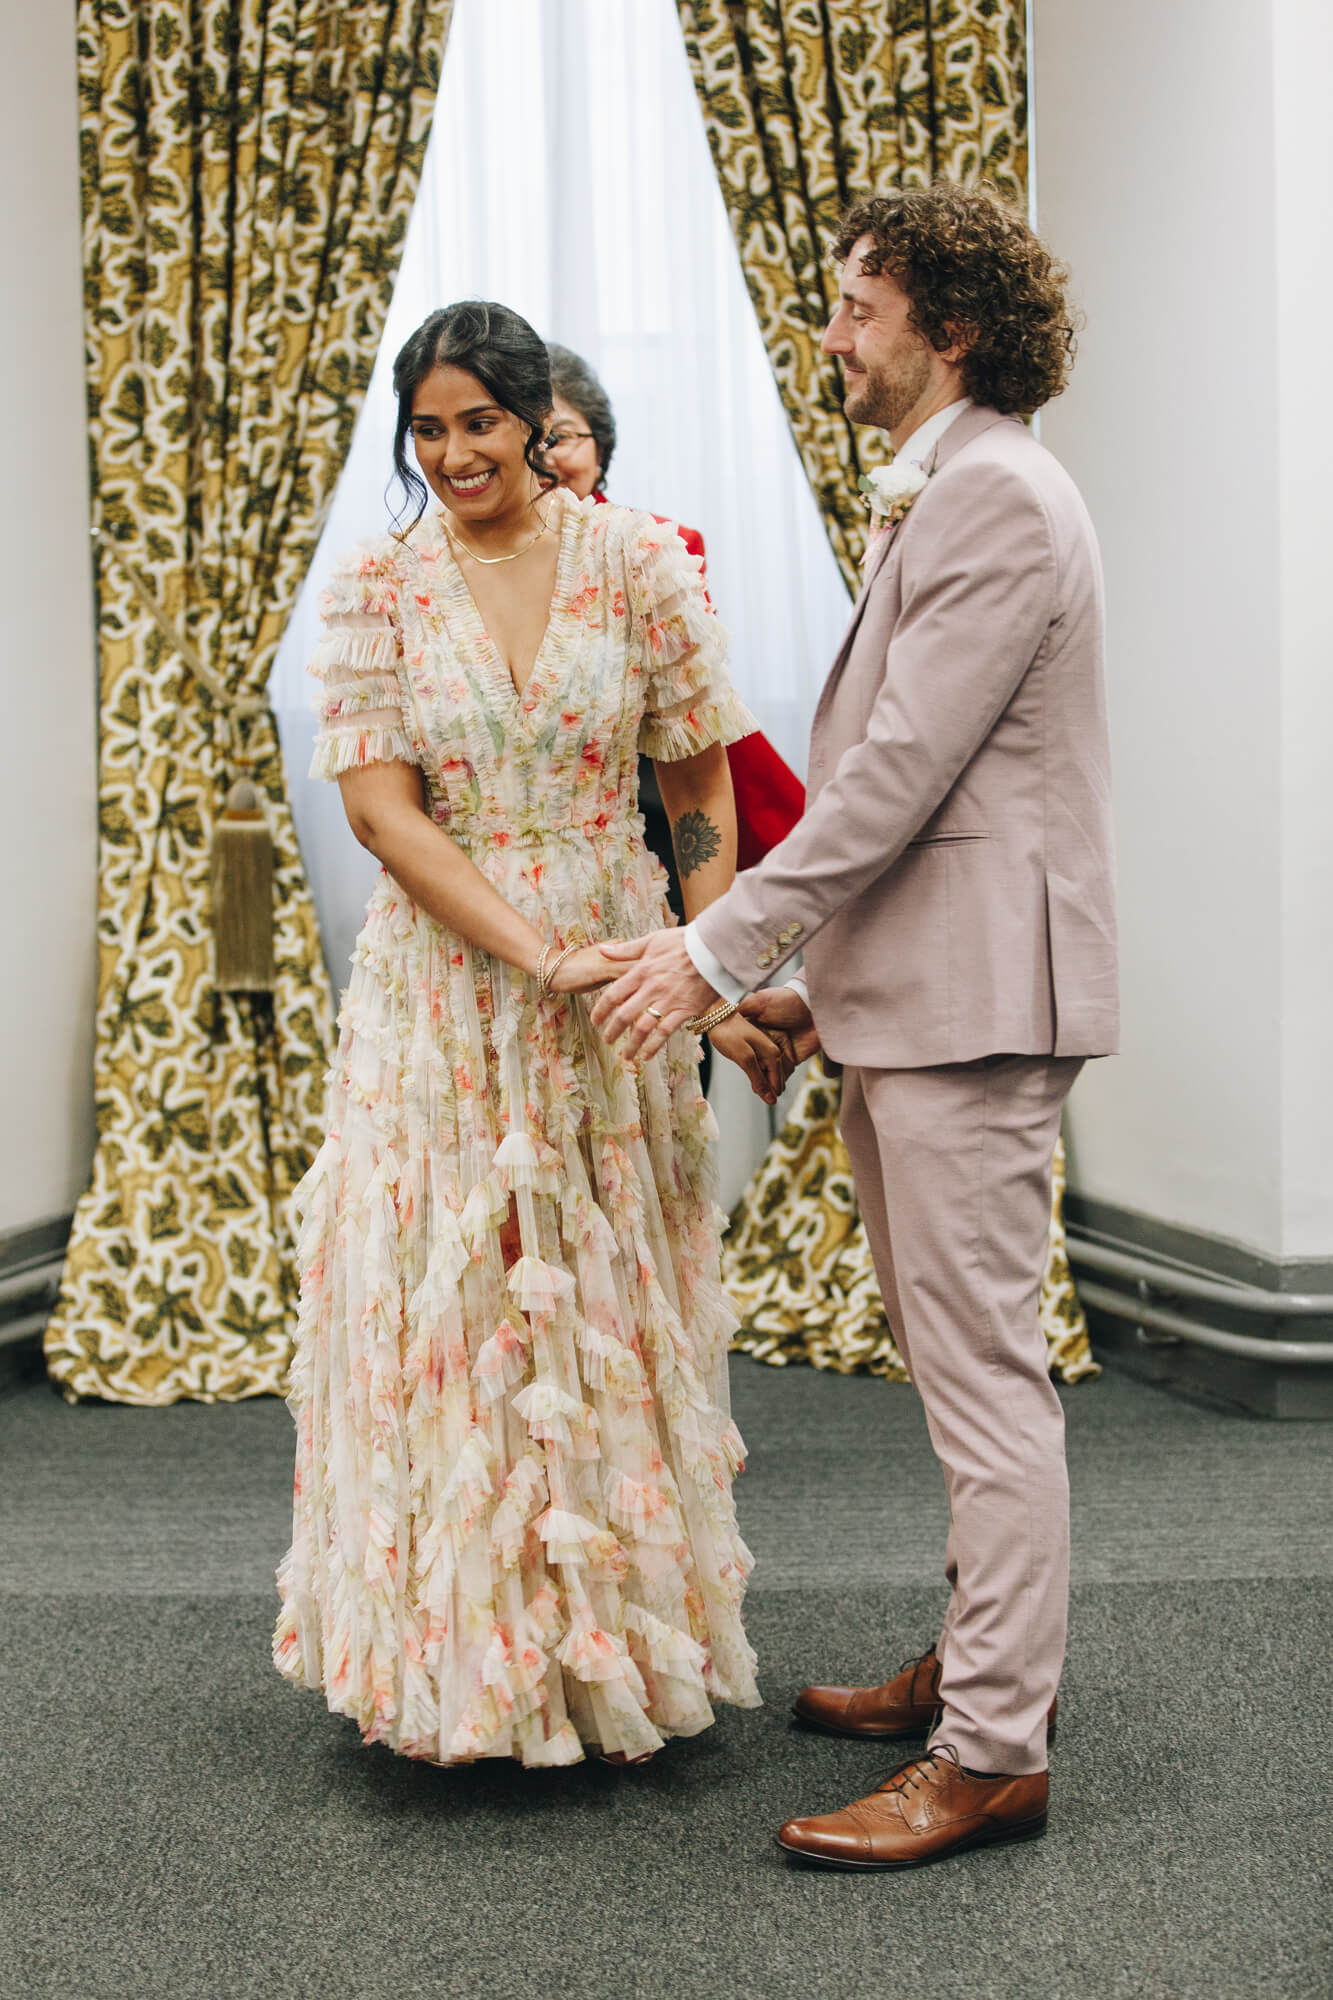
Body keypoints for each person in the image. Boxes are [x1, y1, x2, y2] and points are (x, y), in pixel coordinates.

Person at [592, 182, 1118, 1864]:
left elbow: (896, 778)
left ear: (948, 329)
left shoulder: (1000, 502)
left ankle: (989, 1752)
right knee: (956, 1372)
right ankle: (976, 1670)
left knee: (985, 1391)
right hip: (927, 988)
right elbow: (942, 791)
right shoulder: (955, 488)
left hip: (978, 1009)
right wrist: (828, 983)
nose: (827, 335)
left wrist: (719, 944)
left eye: (853, 308)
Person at [273, 300, 787, 1768]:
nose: (451, 455)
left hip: (619, 973)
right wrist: (536, 951)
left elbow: (694, 781)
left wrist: (723, 966)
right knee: (462, 1303)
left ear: (530, 418)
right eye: (425, 430)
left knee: (605, 1295)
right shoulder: (376, 587)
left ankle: (611, 1647)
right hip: (449, 990)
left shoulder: (635, 565)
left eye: (478, 424)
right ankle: (460, 1669)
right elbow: (381, 814)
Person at [542, 341, 807, 1094]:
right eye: (526, 437)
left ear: (600, 445)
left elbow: (687, 734)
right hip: (523, 863)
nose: (544, 457)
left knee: (654, 1084)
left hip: (650, 834)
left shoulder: (659, 550)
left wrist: (707, 948)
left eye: (560, 435)